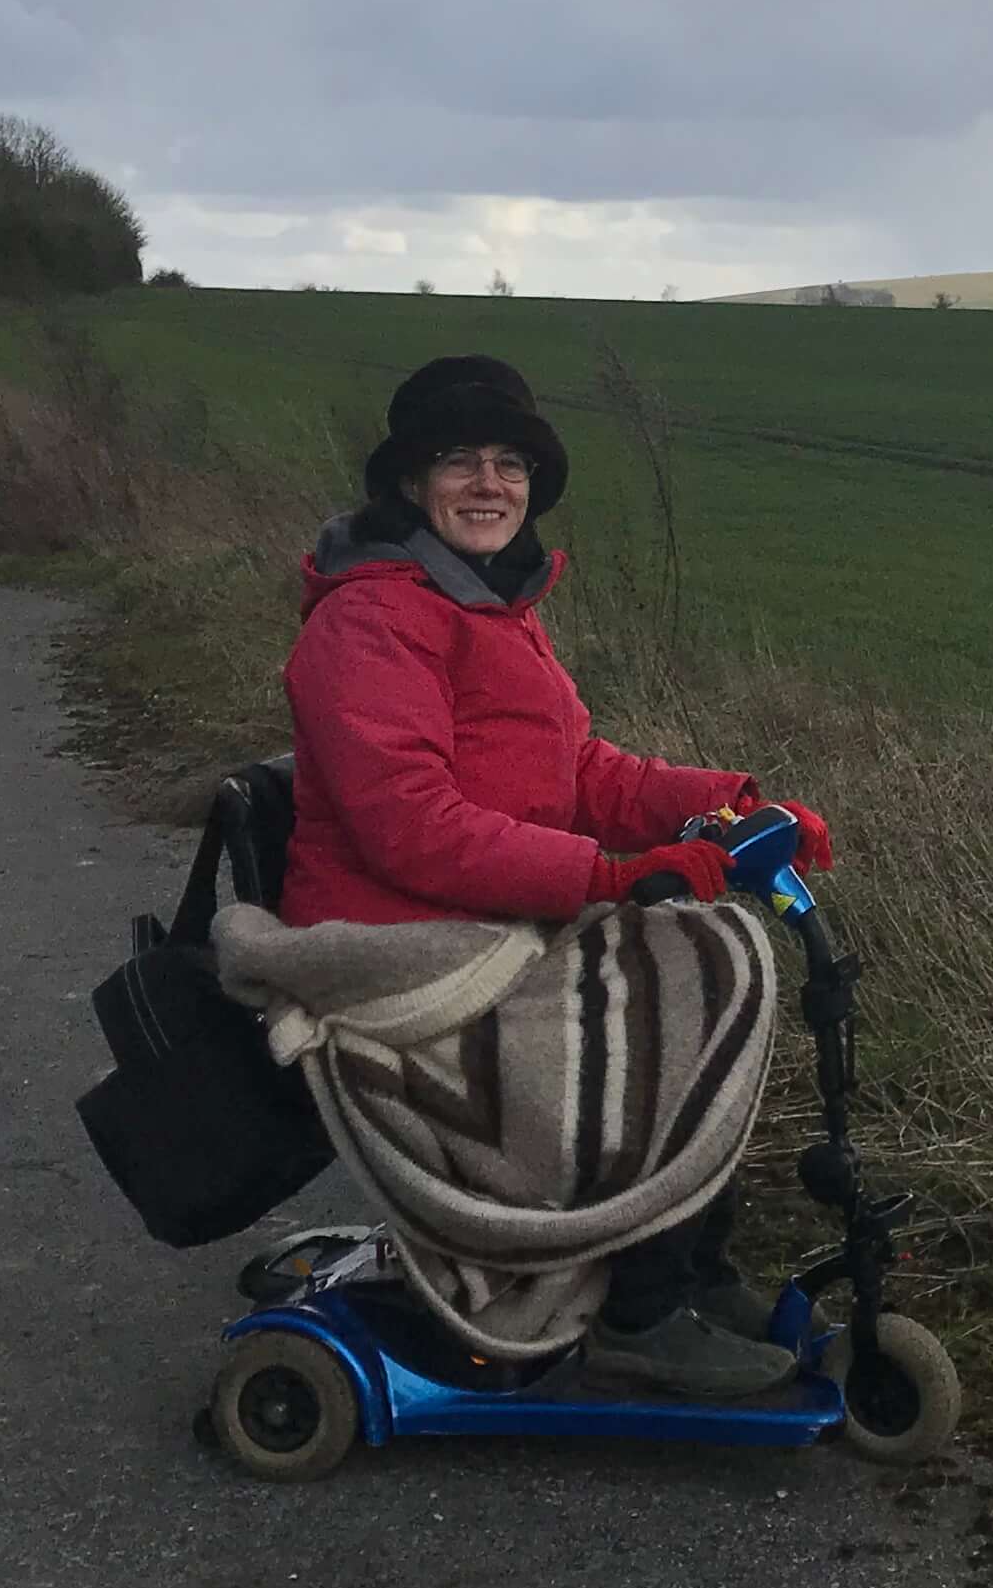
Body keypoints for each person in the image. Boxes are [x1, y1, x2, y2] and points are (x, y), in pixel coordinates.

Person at [279, 353, 831, 1399]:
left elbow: (577, 772)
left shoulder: (487, 605)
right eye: (460, 461)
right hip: (395, 947)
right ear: (410, 482)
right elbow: (412, 830)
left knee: (709, 958)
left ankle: (690, 1271)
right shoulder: (371, 621)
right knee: (686, 986)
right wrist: (614, 879)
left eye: (511, 463)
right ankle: (641, 1310)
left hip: (474, 921)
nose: (489, 484)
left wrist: (729, 802)